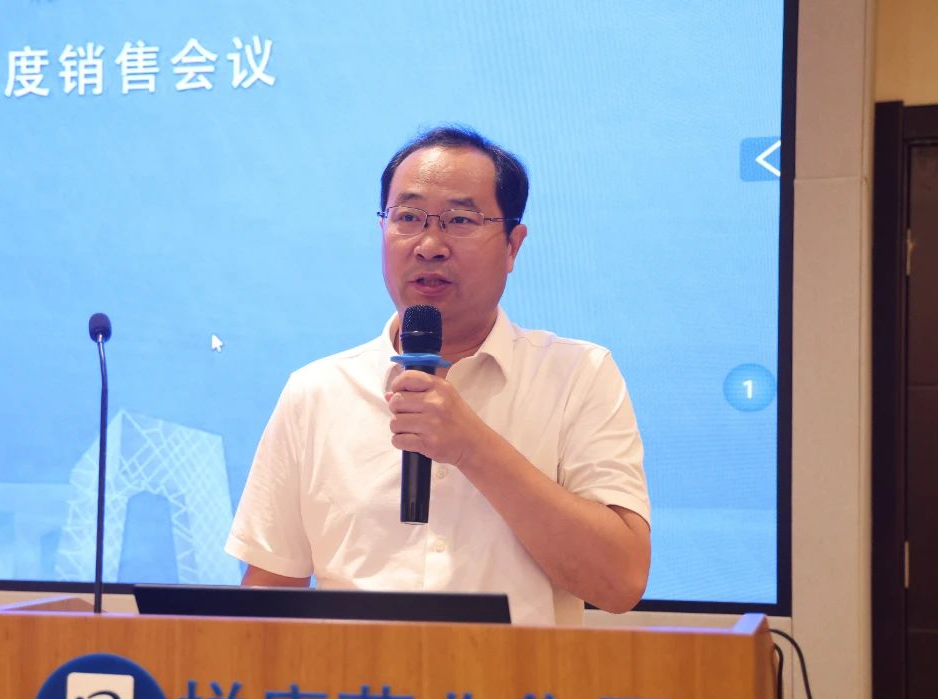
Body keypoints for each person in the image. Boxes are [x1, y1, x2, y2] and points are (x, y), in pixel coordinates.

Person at [225, 126, 650, 625]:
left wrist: (471, 445)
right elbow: (268, 599)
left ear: (513, 246)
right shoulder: (315, 392)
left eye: (460, 220)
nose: (429, 245)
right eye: (407, 217)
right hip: (357, 677)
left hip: (514, 678)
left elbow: (620, 582)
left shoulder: (578, 375)